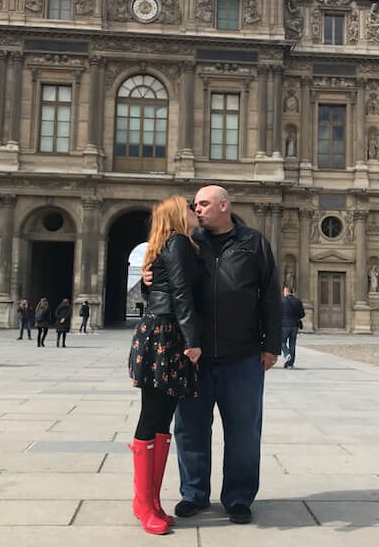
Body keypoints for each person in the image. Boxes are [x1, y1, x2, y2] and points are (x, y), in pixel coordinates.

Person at [144, 185, 281, 526]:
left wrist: (272, 345)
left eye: (203, 204)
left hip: (244, 353)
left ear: (224, 205)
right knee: (189, 429)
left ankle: (238, 497)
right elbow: (169, 284)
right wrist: (148, 282)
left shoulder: (254, 242)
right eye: (195, 205)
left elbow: (270, 297)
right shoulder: (189, 242)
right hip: (194, 356)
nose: (197, 209)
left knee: (244, 432)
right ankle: (194, 493)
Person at [129, 195, 202, 535]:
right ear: (177, 214)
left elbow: (158, 288)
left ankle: (152, 501)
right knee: (153, 416)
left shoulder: (168, 245)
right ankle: (144, 503)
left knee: (161, 420)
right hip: (168, 334)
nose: (195, 211)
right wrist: (192, 341)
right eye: (190, 207)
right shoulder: (178, 244)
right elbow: (182, 293)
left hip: (162, 331)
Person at [281, 285, 305, 368]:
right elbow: (302, 314)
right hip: (295, 326)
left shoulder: (282, 301)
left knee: (281, 341)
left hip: (284, 325)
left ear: (287, 291)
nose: (283, 293)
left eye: (284, 291)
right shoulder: (298, 301)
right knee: (292, 344)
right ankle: (290, 363)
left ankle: (287, 354)